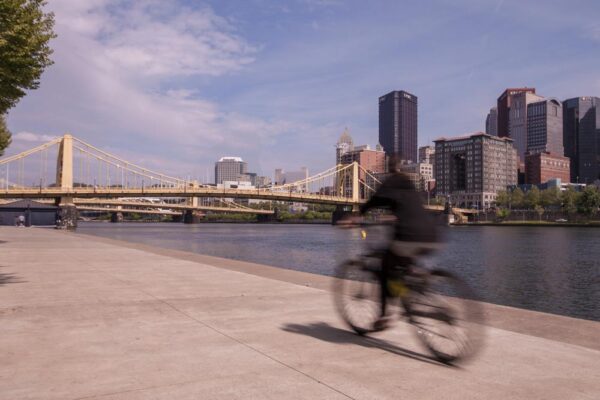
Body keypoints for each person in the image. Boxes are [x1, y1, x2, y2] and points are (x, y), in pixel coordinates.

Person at [354, 156, 441, 330]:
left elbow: (374, 201)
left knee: (386, 267)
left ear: (389, 169)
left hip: (408, 235)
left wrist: (357, 215)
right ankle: (418, 287)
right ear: (401, 167)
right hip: (431, 233)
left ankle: (384, 316)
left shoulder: (391, 182)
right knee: (406, 266)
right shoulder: (410, 184)